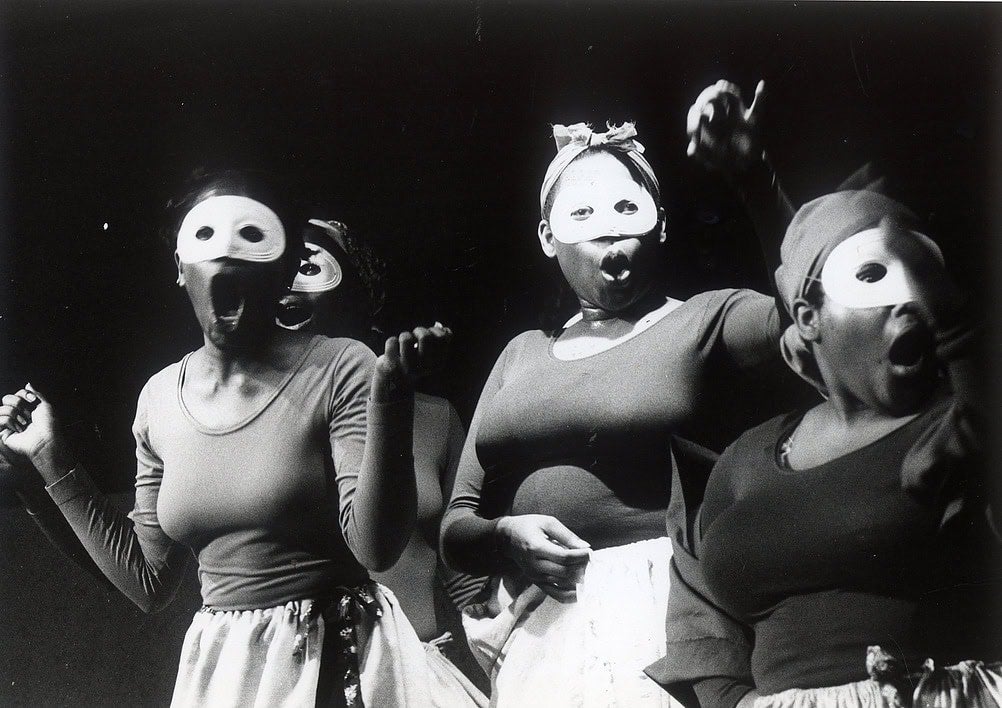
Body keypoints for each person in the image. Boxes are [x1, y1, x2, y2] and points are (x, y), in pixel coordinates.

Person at [0, 169, 453, 708]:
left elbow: (376, 548)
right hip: (226, 669)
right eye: (207, 235)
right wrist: (49, 461)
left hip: (335, 656)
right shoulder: (159, 397)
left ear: (284, 267)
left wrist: (390, 400)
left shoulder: (340, 365)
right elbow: (147, 582)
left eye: (251, 235)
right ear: (180, 266)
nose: (228, 256)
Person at [647, 78, 1001, 708]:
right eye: (874, 277)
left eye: (924, 275)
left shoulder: (956, 432)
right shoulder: (747, 459)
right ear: (807, 318)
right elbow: (700, 614)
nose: (909, 300)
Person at [440, 118, 793, 707]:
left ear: (660, 225)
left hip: (666, 611)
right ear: (548, 236)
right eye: (582, 213)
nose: (608, 232)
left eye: (627, 208)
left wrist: (755, 176)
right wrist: (505, 537)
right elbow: (457, 523)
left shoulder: (705, 319)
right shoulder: (521, 353)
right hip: (544, 628)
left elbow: (810, 309)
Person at [277, 217, 488, 705]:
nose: (289, 284)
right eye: (279, 268)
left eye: (309, 265)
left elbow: (465, 572)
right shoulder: (252, 422)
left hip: (422, 680)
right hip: (301, 686)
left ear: (361, 293)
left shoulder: (434, 418)